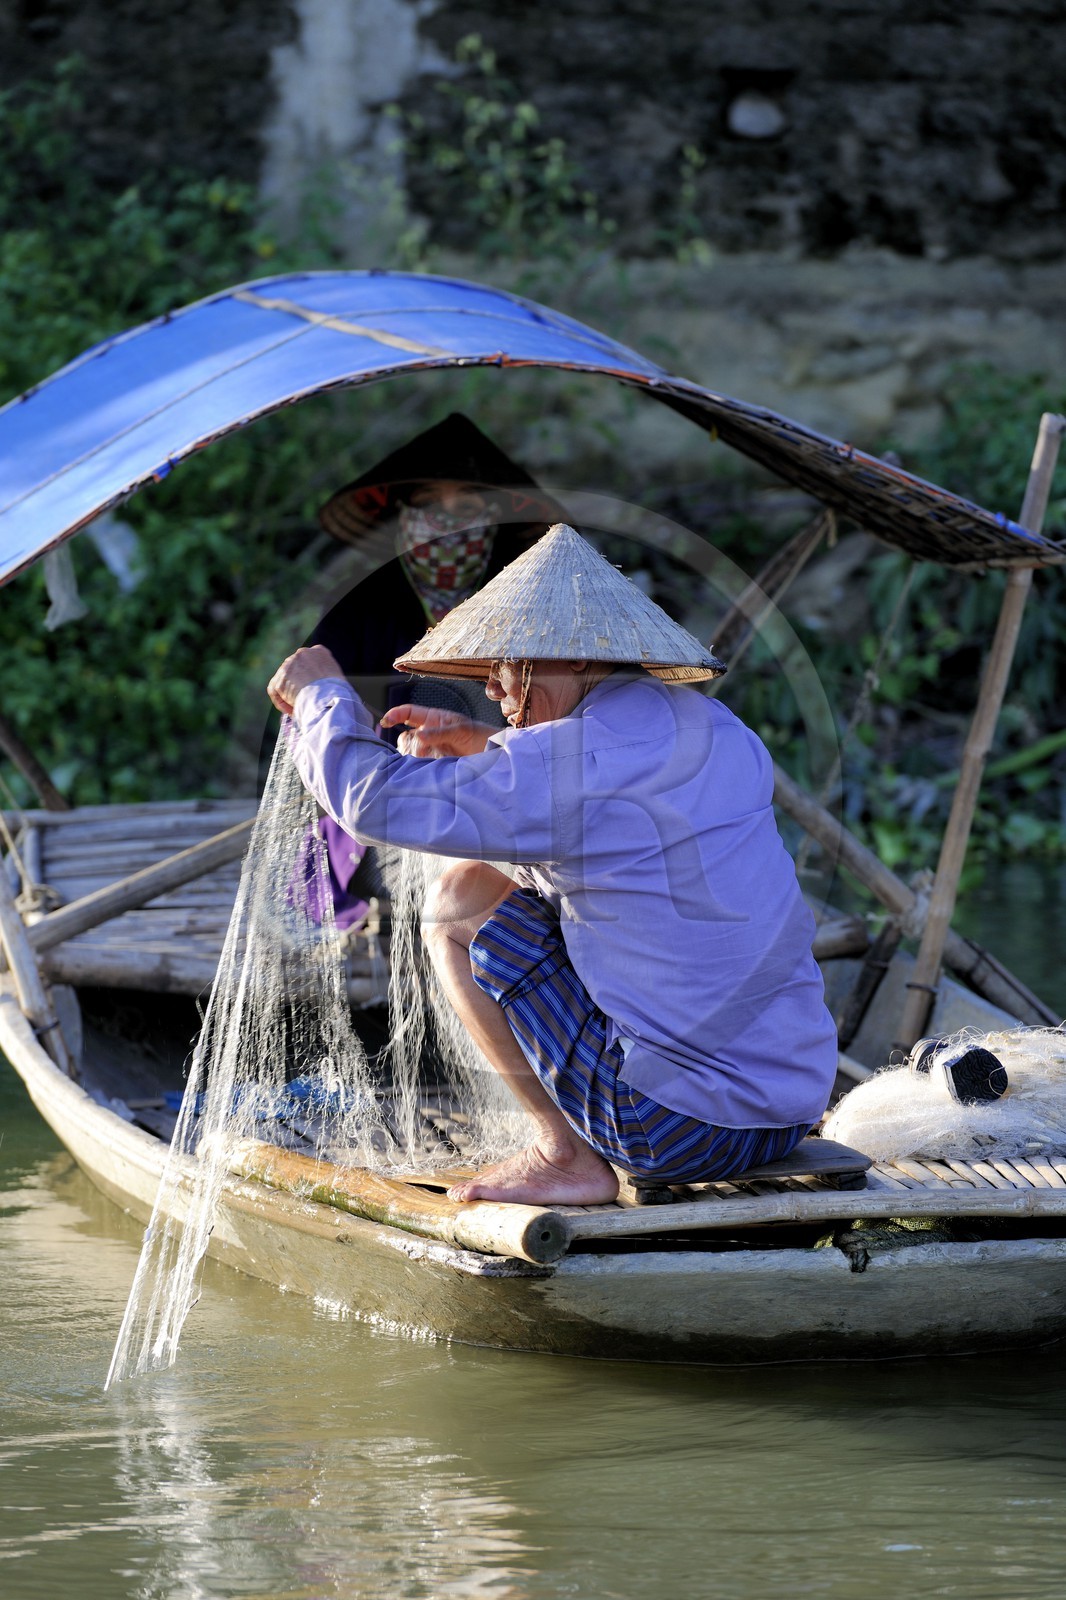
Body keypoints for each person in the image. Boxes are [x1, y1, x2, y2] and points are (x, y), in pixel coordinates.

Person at [268, 524, 838, 1206]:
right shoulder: (718, 730)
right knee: (495, 881)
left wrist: (321, 697)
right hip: (791, 1109)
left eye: (503, 670)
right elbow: (602, 795)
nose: (496, 693)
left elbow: (370, 800)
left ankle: (561, 1151)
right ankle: (573, 1136)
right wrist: (488, 747)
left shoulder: (564, 765)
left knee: (456, 904)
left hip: (671, 1131)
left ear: (548, 660)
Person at [299, 413, 566, 929]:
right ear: (401, 516)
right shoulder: (364, 602)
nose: (448, 521)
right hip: (385, 810)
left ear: (493, 516)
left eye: (466, 507)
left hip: (508, 805)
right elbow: (315, 691)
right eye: (428, 504)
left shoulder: (526, 597)